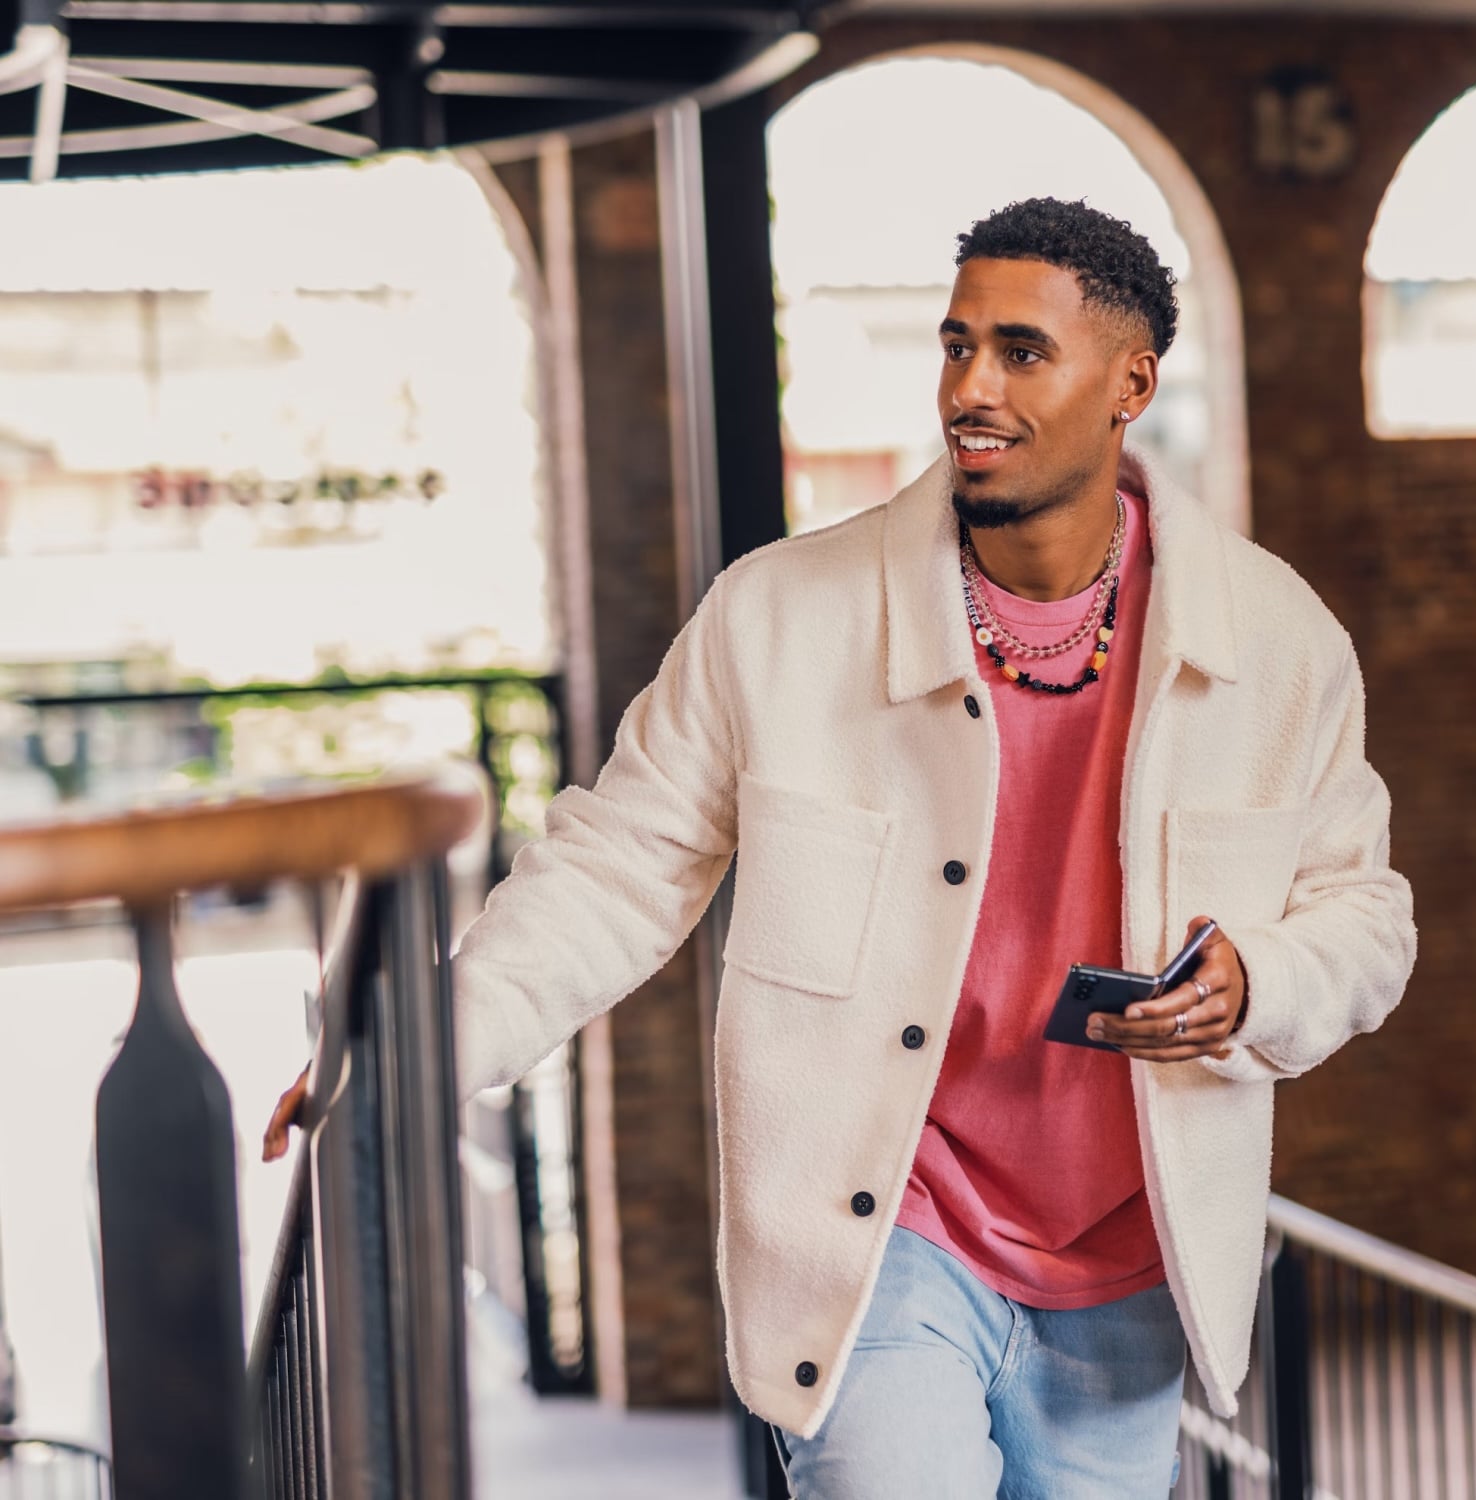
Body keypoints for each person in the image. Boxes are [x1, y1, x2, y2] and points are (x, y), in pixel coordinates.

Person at [266, 197, 1416, 1497]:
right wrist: (409, 1055)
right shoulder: (777, 617)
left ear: (1130, 383)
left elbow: (1364, 915)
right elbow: (616, 867)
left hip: (1133, 1261)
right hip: (878, 1238)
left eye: (1022, 353)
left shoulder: (1278, 640)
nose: (969, 389)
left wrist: (1259, 980)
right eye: (955, 344)